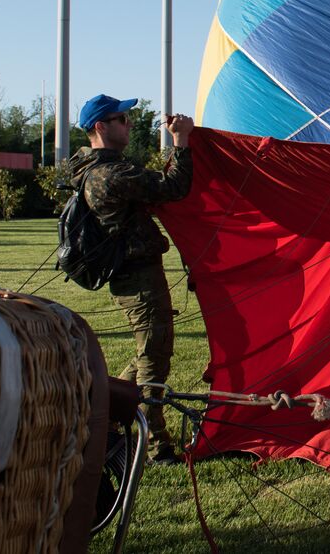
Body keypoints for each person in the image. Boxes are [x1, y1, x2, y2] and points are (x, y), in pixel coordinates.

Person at [66, 94, 194, 465]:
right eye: (122, 119)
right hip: (136, 277)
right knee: (154, 356)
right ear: (101, 127)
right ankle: (156, 444)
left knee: (148, 351)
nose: (130, 124)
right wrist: (182, 142)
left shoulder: (101, 168)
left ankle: (103, 416)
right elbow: (173, 189)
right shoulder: (110, 174)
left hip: (135, 275)